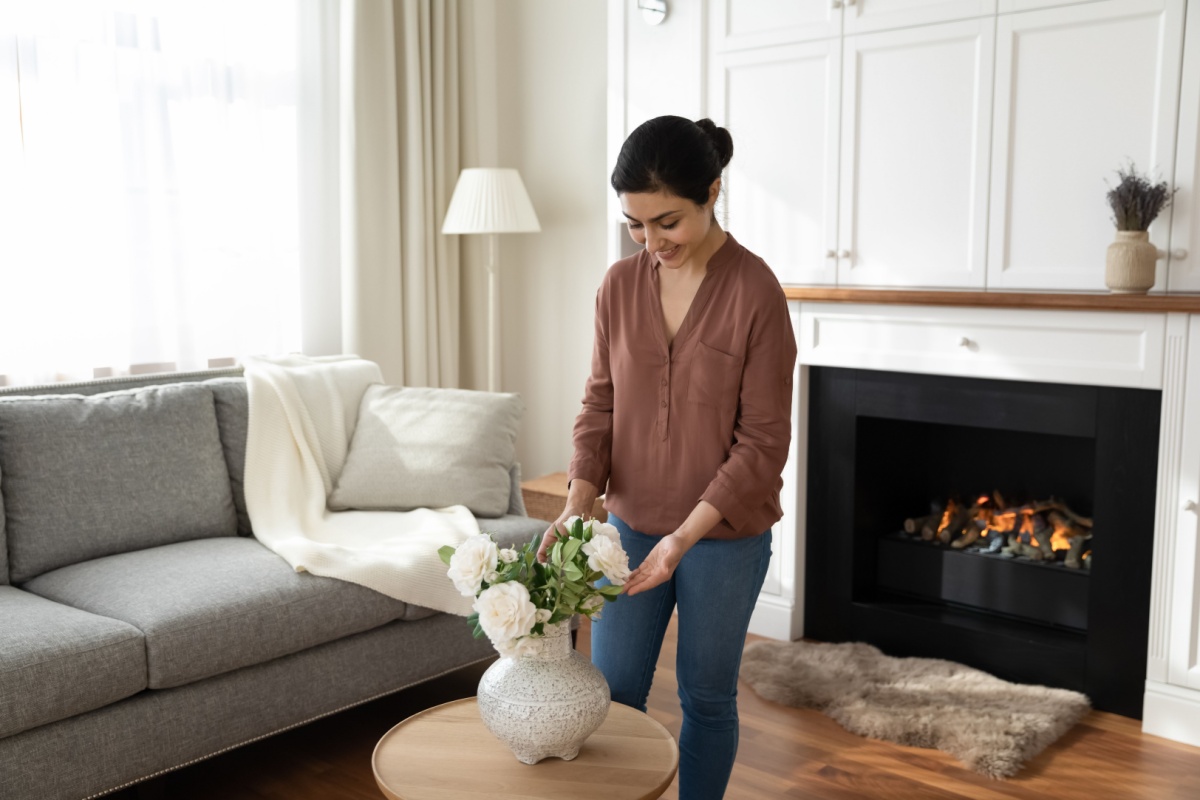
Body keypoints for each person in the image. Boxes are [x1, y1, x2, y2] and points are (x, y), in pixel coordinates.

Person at [538, 115, 797, 799]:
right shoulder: (618, 287)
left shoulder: (756, 292)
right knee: (616, 695)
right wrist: (576, 502)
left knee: (706, 699)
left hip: (724, 537)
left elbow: (764, 442)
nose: (652, 242)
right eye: (635, 225)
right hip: (628, 527)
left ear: (713, 193)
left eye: (667, 222)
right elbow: (600, 405)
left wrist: (683, 537)